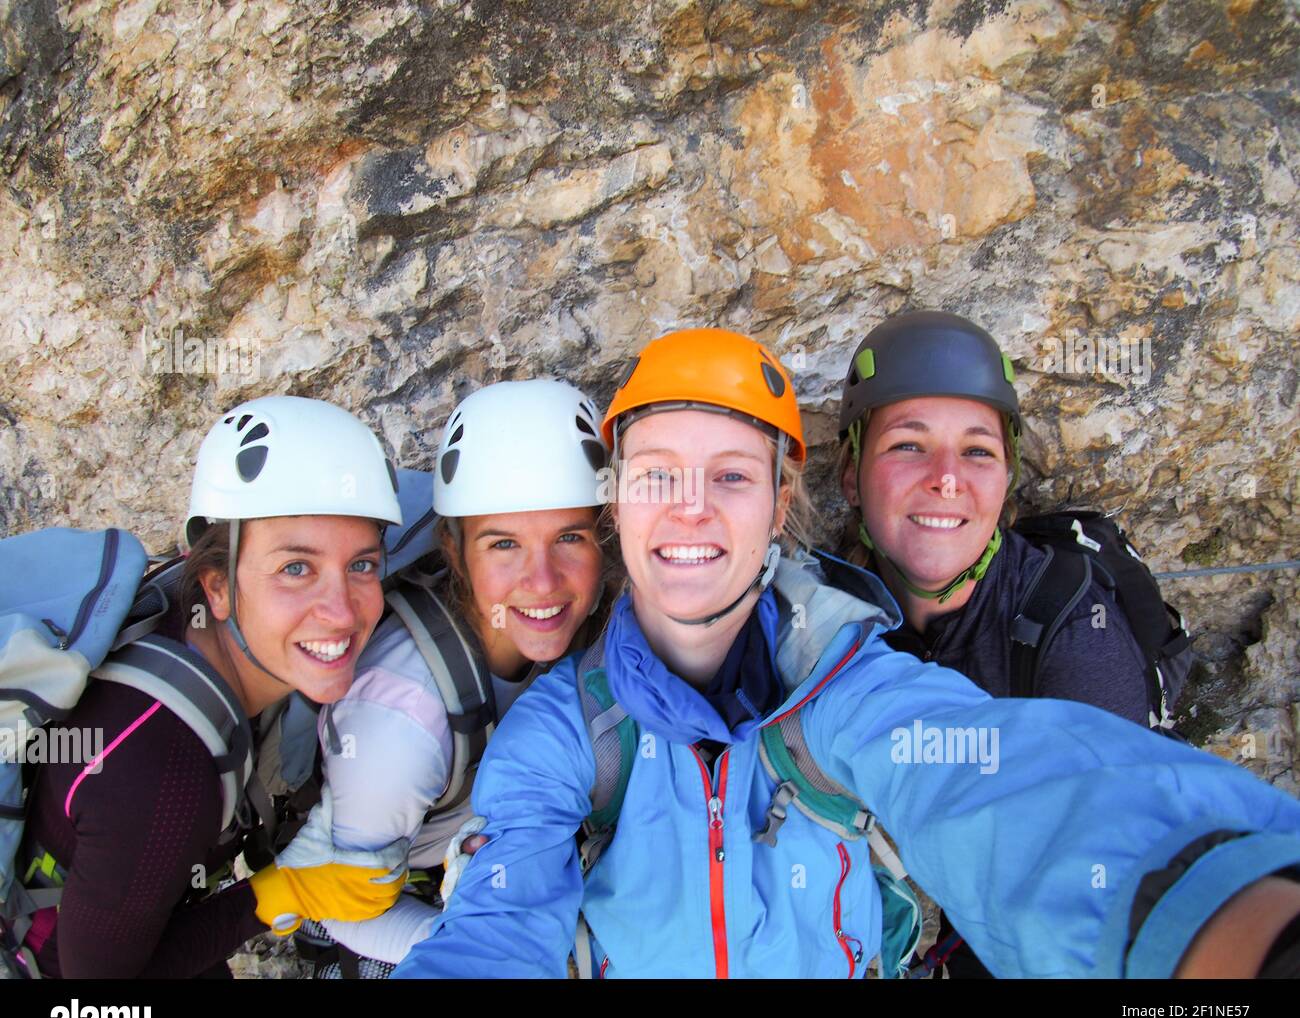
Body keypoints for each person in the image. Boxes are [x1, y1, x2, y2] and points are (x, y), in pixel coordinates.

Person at [392, 328, 1300, 979]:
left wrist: (1214, 909)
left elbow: (999, 784)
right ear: (617, 502)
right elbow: (499, 919)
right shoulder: (563, 735)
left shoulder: (849, 689)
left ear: (780, 504)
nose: (692, 507)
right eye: (657, 472)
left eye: (734, 477)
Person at [14, 396, 407, 977]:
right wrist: (277, 896)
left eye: (362, 565)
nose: (342, 611)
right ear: (217, 586)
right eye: (295, 568)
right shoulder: (164, 771)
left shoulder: (180, 623)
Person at [835, 309, 1151, 976]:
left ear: (1007, 482)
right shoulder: (832, 607)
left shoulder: (1071, 636)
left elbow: (1102, 878)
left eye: (978, 450)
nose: (947, 477)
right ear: (848, 474)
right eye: (908, 445)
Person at [290, 380, 611, 978]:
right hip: (392, 916)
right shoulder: (400, 726)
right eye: (504, 544)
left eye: (570, 537)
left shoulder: (595, 630)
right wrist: (498, 941)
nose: (543, 582)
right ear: (455, 550)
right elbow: (336, 905)